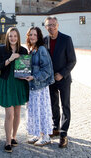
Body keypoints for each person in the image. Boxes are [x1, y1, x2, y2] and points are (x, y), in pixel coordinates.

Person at [44, 16, 76, 148]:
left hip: (64, 79)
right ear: (46, 27)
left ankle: (63, 134)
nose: (51, 27)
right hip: (50, 79)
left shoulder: (66, 39)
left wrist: (62, 74)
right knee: (53, 105)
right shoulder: (44, 40)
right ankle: (55, 127)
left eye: (53, 24)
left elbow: (72, 60)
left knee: (65, 106)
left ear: (58, 25)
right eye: (48, 25)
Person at [0, 27, 29, 153]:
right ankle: (8, 141)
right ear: (7, 37)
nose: (13, 38)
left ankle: (14, 137)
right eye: (11, 36)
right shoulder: (1, 50)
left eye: (15, 36)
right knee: (9, 114)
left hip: (19, 83)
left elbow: (26, 67)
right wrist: (10, 59)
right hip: (7, 81)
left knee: (17, 112)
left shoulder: (23, 50)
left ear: (18, 37)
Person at [23, 27, 55, 146]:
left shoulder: (41, 49)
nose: (32, 37)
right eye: (30, 35)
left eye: (34, 35)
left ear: (38, 36)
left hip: (40, 87)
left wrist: (34, 77)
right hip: (32, 87)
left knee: (42, 111)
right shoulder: (31, 50)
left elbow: (47, 70)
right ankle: (37, 134)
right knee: (34, 111)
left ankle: (46, 136)